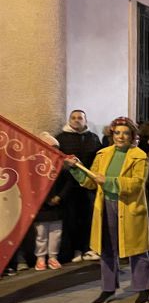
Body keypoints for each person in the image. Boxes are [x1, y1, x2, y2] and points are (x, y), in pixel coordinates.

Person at [64, 117, 149, 303]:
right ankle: (108, 289)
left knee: (137, 250)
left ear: (132, 135)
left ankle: (143, 289)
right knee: (107, 249)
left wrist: (110, 181)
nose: (121, 137)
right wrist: (76, 169)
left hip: (129, 208)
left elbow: (138, 184)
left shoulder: (140, 156)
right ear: (112, 134)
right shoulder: (102, 154)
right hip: (105, 207)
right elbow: (90, 181)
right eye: (117, 133)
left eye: (126, 133)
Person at [56, 109, 102, 264]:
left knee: (89, 217)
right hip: (70, 186)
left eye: (80, 118)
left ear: (85, 121)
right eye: (73, 118)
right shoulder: (61, 138)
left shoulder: (93, 138)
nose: (76, 120)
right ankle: (74, 250)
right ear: (69, 120)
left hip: (88, 184)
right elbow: (56, 160)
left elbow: (99, 158)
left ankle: (87, 248)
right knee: (72, 219)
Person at [33, 132, 70, 271]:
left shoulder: (61, 166)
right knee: (41, 234)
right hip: (41, 207)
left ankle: (53, 257)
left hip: (57, 206)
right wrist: (42, 199)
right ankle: (40, 257)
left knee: (55, 233)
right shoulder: (35, 166)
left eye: (56, 148)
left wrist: (60, 197)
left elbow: (68, 183)